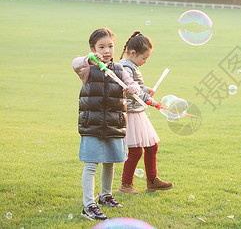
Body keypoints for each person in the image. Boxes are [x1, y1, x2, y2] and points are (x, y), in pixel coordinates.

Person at [72, 28, 140, 221]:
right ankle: (88, 205)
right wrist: (89, 59)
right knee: (91, 164)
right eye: (101, 47)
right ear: (93, 49)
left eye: (110, 46)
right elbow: (74, 64)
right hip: (92, 124)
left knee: (109, 162)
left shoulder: (119, 69)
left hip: (113, 123)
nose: (107, 50)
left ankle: (105, 196)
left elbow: (130, 83)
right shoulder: (87, 69)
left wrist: (133, 87)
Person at [116, 31, 173, 194]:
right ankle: (125, 185)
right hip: (132, 114)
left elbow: (137, 87)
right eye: (144, 58)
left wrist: (146, 90)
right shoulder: (125, 66)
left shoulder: (131, 65)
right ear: (133, 53)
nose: (145, 62)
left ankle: (152, 180)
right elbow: (130, 90)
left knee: (151, 146)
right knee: (135, 151)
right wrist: (149, 100)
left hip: (138, 113)